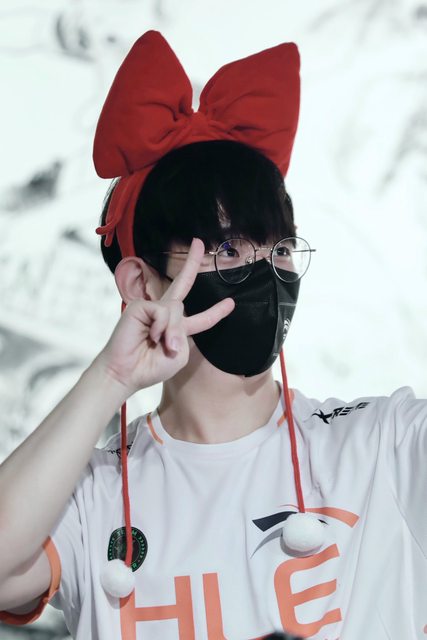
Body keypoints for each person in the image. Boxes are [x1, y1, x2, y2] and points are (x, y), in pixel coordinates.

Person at [0, 29, 426, 640]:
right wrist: (110, 378)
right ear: (142, 283)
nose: (267, 272)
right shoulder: (93, 494)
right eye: (228, 250)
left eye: (280, 248)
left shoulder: (384, 444)